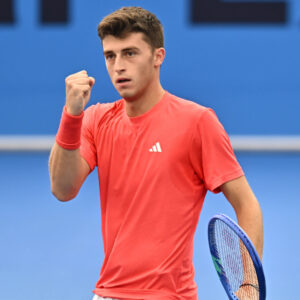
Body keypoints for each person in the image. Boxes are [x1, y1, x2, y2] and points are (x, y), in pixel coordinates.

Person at [49, 6, 264, 300]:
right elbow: (62, 189)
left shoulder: (197, 122)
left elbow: (247, 204)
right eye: (110, 56)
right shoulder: (95, 120)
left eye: (130, 53)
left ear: (157, 57)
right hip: (107, 294)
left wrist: (249, 283)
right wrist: (72, 115)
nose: (118, 66)